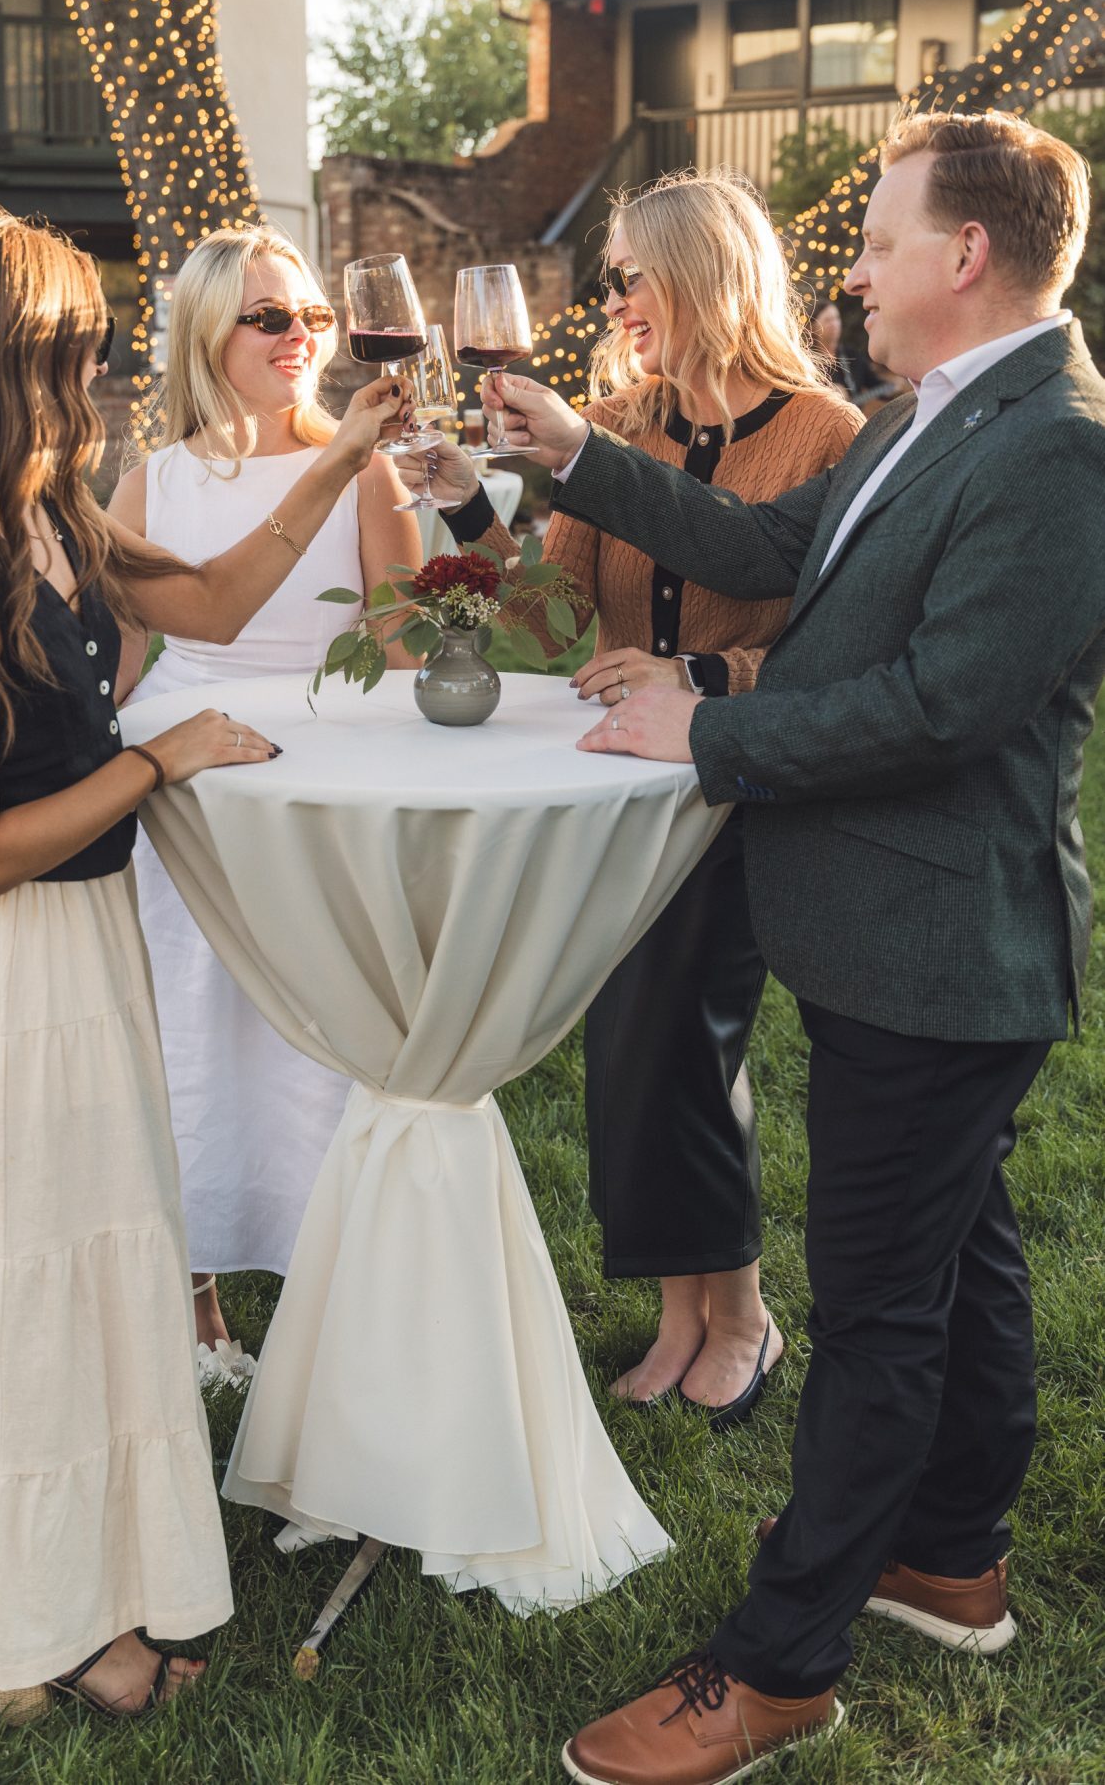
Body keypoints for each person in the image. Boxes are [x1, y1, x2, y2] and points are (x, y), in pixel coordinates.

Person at [481, 111, 1105, 1785]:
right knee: (964, 1254)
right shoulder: (921, 417)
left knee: (880, 1313)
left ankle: (776, 1667)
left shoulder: (1057, 446)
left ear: (963, 256)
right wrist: (579, 457)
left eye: (883, 238)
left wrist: (702, 727)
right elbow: (779, 559)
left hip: (943, 948)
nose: (859, 268)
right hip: (887, 940)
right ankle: (949, 1556)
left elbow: (942, 708)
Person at [0, 208, 403, 1721]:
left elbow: (213, 602)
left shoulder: (55, 519)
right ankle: (55, 1634)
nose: (89, 380)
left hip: (82, 948)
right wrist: (158, 759)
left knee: (98, 1272)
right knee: (33, 1276)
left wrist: (341, 462)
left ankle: (71, 1602)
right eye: (66, 352)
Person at [402, 171, 861, 1420]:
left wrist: (701, 670)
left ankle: (747, 1316)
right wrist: (462, 502)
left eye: (625, 274)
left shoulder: (826, 435)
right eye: (606, 278)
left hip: (730, 789)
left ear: (700, 273)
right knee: (631, 1046)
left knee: (690, 1039)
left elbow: (838, 655)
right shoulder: (616, 421)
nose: (609, 298)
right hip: (612, 789)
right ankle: (676, 1315)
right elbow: (554, 622)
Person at [110, 226, 421, 1382]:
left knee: (313, 1057)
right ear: (205, 333)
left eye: (315, 318)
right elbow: (130, 658)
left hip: (315, 790)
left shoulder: (364, 466)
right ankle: (190, 1304)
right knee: (182, 1043)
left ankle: (326, 1304)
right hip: (184, 804)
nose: (303, 338)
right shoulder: (154, 480)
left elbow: (397, 643)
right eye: (271, 317)